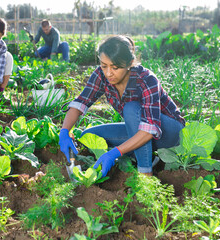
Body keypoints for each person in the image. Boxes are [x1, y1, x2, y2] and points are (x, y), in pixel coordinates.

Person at [58, 35, 185, 177]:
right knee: (89, 136)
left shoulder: (146, 79)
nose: (108, 73)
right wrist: (64, 131)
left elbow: (149, 129)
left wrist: (115, 153)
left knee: (131, 108)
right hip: (142, 132)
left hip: (170, 133)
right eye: (104, 65)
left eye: (115, 67)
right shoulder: (101, 75)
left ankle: (145, 174)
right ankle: (149, 157)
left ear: (130, 63)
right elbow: (81, 102)